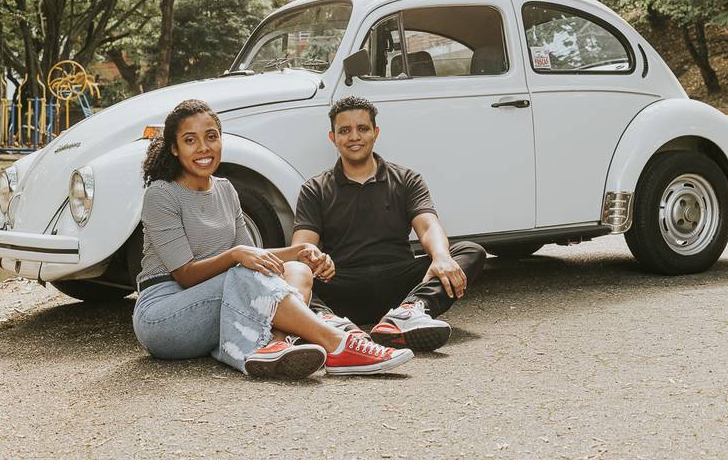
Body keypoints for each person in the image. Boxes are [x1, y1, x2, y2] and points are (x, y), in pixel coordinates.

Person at [132, 99, 413, 378]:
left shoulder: (226, 189)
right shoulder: (161, 194)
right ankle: (338, 344)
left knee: (296, 270)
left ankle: (276, 344)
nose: (204, 148)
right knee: (245, 273)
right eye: (190, 140)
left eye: (211, 137)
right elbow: (186, 275)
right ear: (174, 148)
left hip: (222, 305)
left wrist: (301, 252)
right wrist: (236, 255)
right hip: (166, 316)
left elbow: (257, 264)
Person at [291, 96, 486, 352]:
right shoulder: (315, 188)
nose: (354, 137)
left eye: (362, 128)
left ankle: (408, 313)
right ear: (333, 138)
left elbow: (428, 226)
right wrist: (313, 260)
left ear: (375, 132)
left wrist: (440, 256)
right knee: (290, 272)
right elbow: (301, 247)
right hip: (342, 285)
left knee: (470, 252)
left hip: (400, 283)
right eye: (345, 131)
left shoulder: (406, 179)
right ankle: (330, 323)